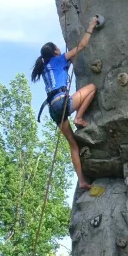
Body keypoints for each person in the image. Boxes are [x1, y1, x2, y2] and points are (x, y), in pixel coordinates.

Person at [31, 16, 99, 190]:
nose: (60, 49)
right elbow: (82, 46)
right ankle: (79, 117)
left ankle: (82, 181)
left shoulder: (46, 68)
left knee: (73, 145)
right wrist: (91, 25)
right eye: (57, 48)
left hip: (53, 110)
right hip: (62, 102)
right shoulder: (58, 60)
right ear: (55, 51)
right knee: (92, 87)